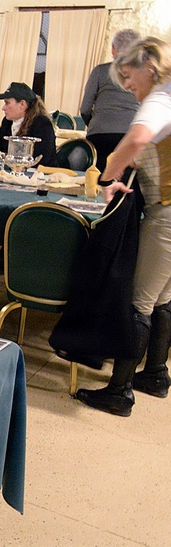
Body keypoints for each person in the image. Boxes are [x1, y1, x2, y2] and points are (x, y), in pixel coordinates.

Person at [75, 36, 171, 417]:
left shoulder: (160, 97)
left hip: (168, 214)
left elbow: (137, 138)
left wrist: (105, 176)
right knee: (162, 298)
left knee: (138, 302)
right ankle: (156, 374)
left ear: (149, 65)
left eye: (129, 77)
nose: (128, 88)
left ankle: (120, 391)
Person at [80, 29, 142, 172]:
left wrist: (94, 123)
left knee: (98, 178)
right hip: (129, 133)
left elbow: (85, 108)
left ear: (113, 49)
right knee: (126, 179)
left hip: (100, 134)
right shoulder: (140, 74)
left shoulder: (100, 71)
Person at [0, 81, 57, 167]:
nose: (3, 108)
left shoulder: (42, 124)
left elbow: (41, 159)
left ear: (22, 104)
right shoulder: (7, 122)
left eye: (7, 103)